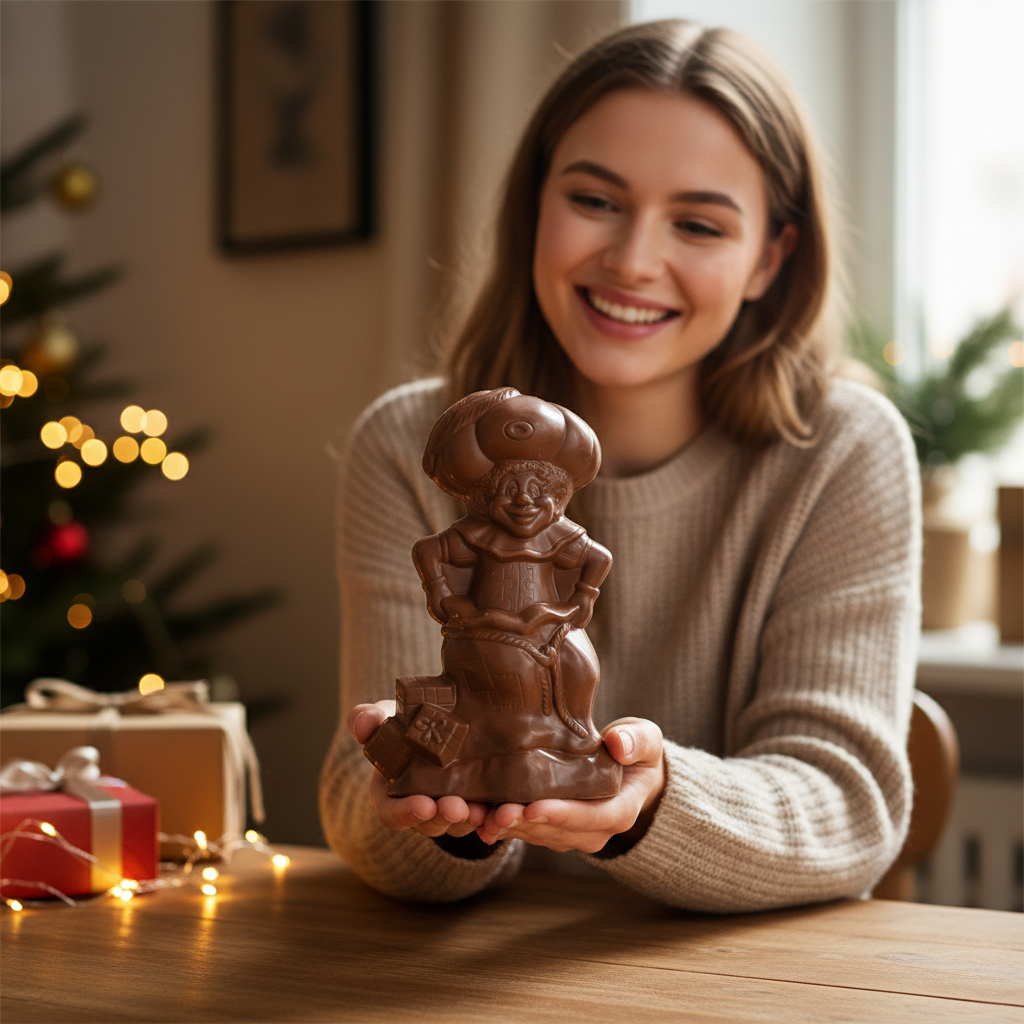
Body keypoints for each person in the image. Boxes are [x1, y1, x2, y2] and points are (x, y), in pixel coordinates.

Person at [319, 19, 920, 912]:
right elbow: (356, 805)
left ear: (769, 258)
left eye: (699, 223)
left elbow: (848, 804)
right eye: (595, 201)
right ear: (534, 207)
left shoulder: (845, 451)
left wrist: (647, 804)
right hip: (451, 979)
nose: (635, 261)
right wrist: (434, 807)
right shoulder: (411, 446)